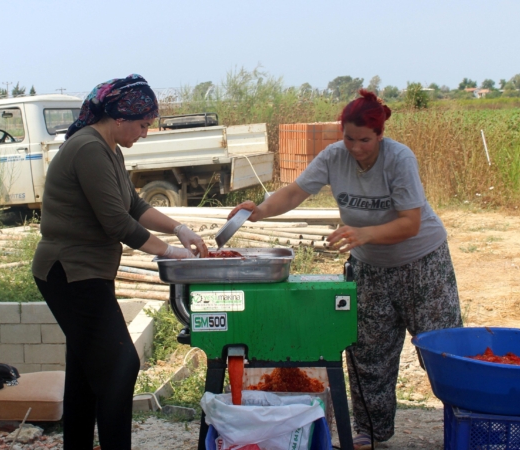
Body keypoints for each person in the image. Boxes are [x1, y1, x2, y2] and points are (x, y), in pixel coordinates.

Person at [229, 89, 462, 449]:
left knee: (442, 349)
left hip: (422, 264)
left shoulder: (399, 159)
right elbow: (294, 192)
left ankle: (462, 423)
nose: (355, 147)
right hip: (370, 268)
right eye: (349, 138)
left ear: (381, 134)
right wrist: (258, 209)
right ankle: (371, 430)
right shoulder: (334, 156)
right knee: (368, 353)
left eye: (365, 140)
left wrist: (363, 232)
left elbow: (410, 223)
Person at [32, 74, 208, 449]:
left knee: (86, 370)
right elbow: (117, 222)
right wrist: (170, 253)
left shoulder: (110, 149)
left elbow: (134, 206)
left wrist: (180, 229)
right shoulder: (88, 148)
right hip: (70, 272)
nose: (145, 133)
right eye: (143, 124)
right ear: (120, 117)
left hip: (86, 272)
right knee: (119, 366)